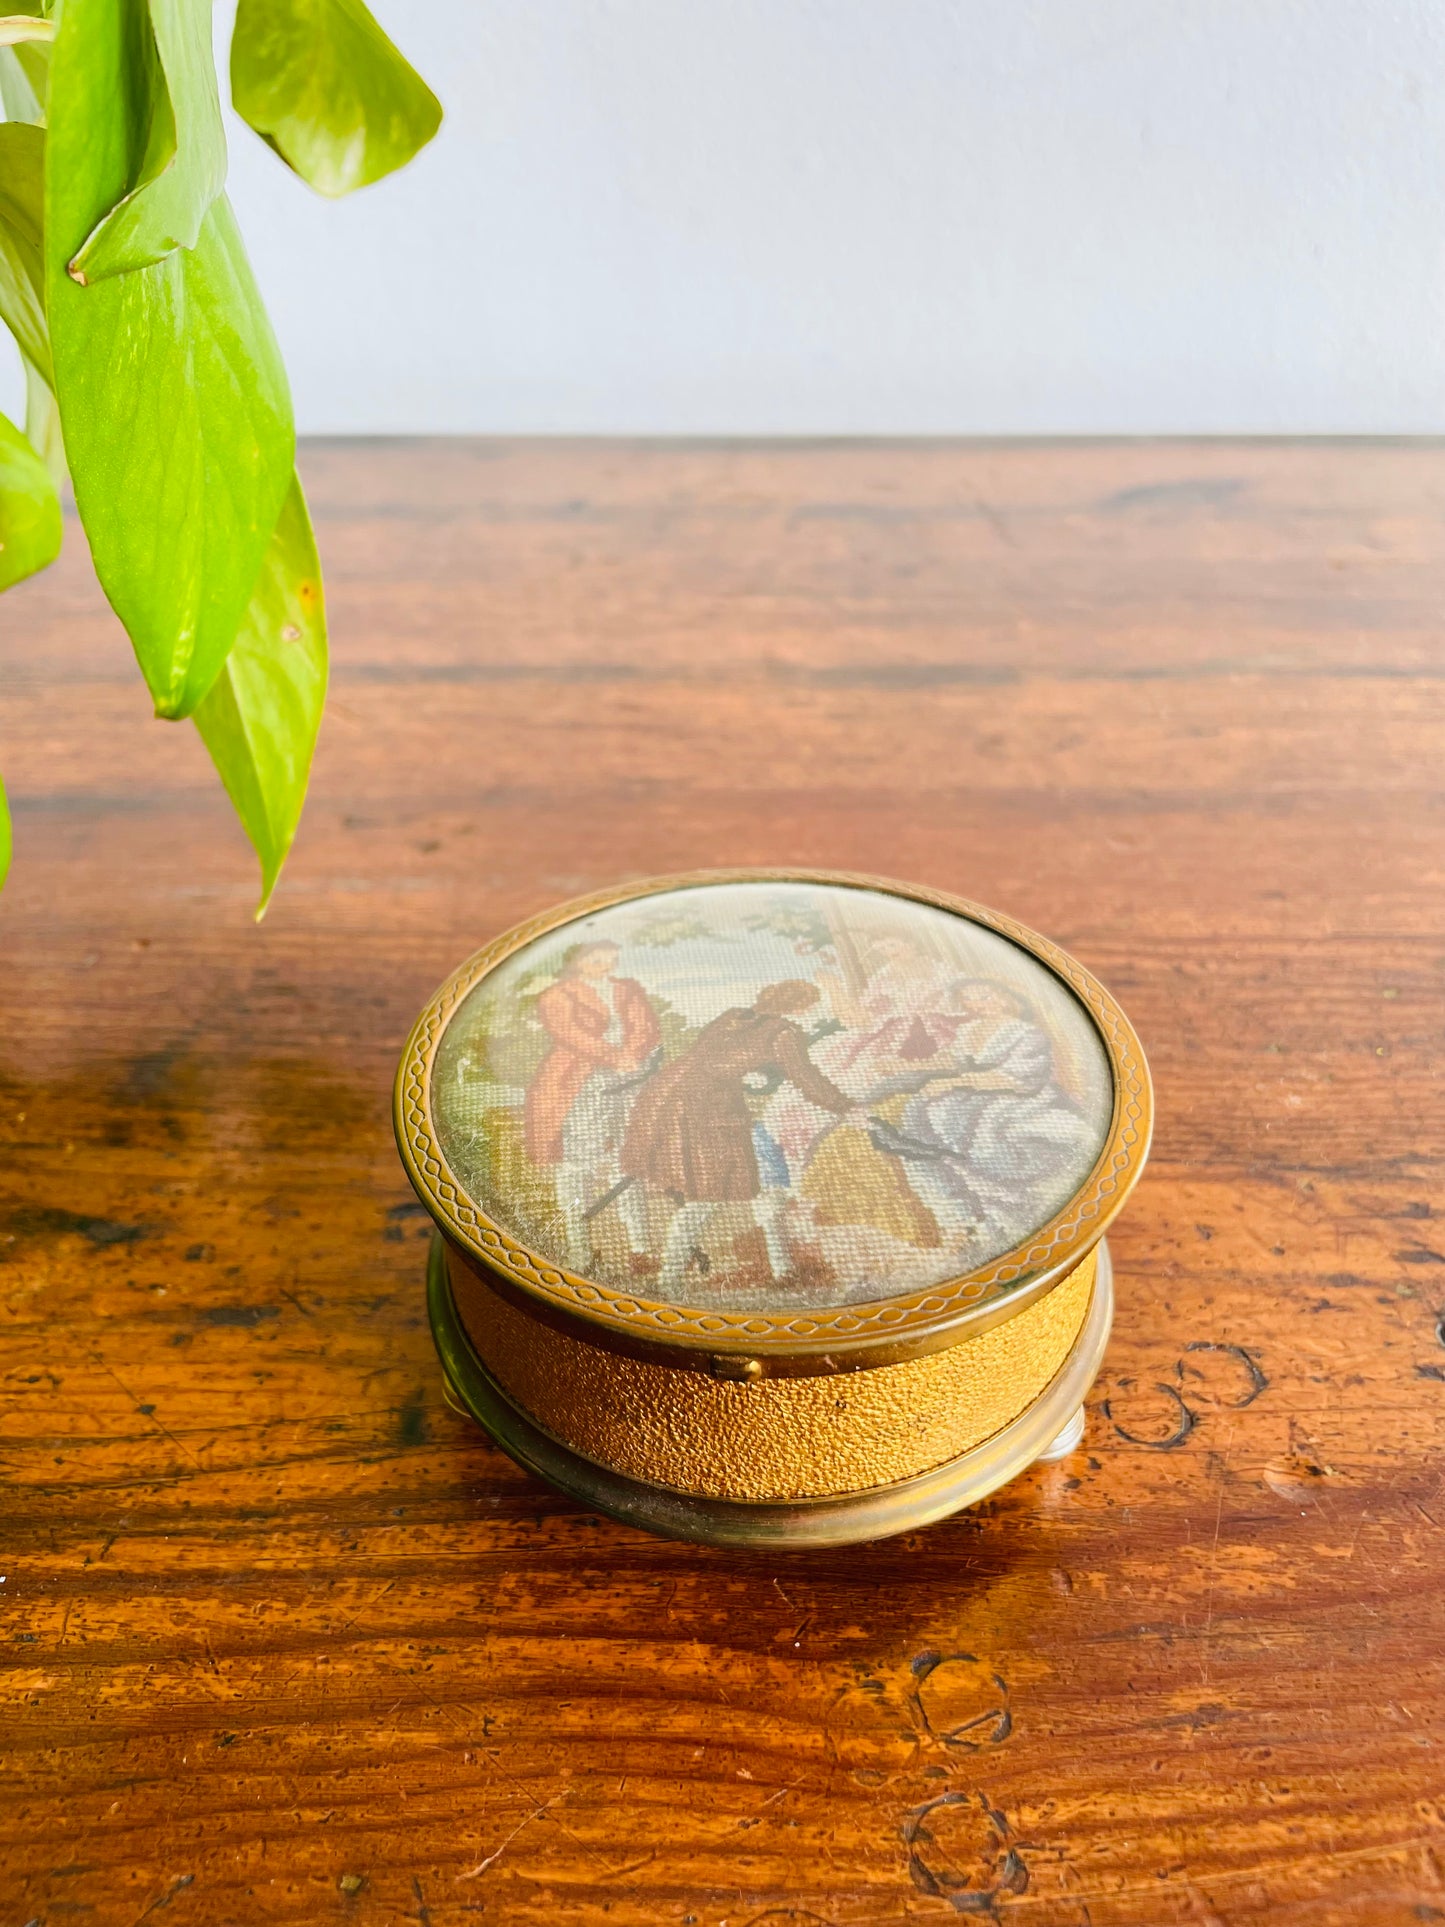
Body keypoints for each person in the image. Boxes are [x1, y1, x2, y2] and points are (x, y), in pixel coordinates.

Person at [620, 979, 860, 1292]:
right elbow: (806, 1077)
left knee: (762, 1188)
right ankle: (668, 1281)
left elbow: (719, 1060)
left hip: (673, 1097)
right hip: (709, 1112)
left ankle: (783, 1268)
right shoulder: (784, 1033)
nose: (817, 1014)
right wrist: (846, 1107)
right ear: (802, 1007)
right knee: (710, 1195)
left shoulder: (735, 1017)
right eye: (814, 1007)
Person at [897, 978, 1098, 1256]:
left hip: (1017, 1097)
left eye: (982, 997)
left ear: (1006, 998)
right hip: (970, 1096)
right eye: (968, 1001)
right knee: (918, 1112)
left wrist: (955, 1083)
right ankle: (954, 1208)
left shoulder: (1026, 1034)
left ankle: (1001, 1203)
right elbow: (951, 1061)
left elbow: (1022, 1080)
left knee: (986, 1134)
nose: (976, 1006)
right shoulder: (970, 1030)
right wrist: (902, 1067)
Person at [524, 941, 660, 1269]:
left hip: (628, 1081)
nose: (605, 965)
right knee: (576, 1165)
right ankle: (580, 1250)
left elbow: (646, 1028)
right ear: (577, 962)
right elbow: (570, 1035)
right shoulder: (558, 995)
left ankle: (641, 1249)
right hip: (576, 1084)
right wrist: (614, 1056)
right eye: (596, 959)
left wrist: (632, 1055)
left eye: (611, 959)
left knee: (626, 1163)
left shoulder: (626, 989)